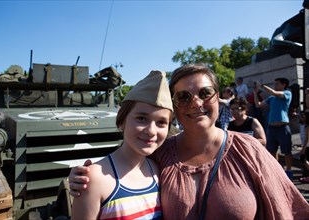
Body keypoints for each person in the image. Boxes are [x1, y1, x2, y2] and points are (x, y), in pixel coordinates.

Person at [69, 64, 309, 219]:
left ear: (218, 97)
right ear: (174, 106)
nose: (196, 103)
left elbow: (286, 209)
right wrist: (86, 176)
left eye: (205, 93)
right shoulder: (159, 156)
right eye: (184, 97)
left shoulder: (249, 150)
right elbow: (128, 159)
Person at [71, 70, 173, 219]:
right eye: (141, 118)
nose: (151, 131)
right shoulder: (94, 179)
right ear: (121, 121)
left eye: (161, 122)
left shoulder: (158, 172)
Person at [253, 79, 294, 179]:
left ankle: (289, 170)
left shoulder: (287, 93)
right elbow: (258, 105)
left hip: (282, 128)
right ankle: (276, 169)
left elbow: (275, 92)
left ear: (284, 85)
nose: (275, 85)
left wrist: (262, 85)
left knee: (287, 151)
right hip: (271, 128)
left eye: (277, 83)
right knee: (272, 151)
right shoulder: (271, 98)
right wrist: (255, 93)